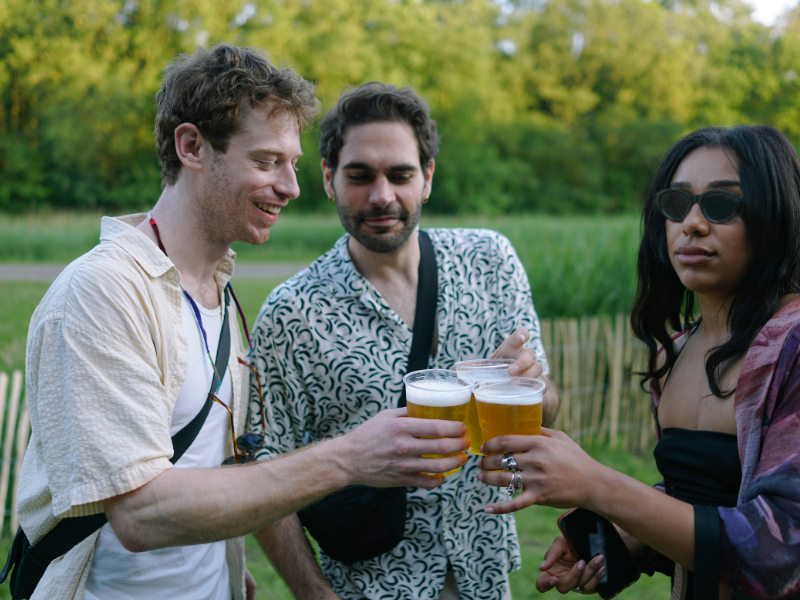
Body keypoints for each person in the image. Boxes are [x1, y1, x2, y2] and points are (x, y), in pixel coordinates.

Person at [13, 46, 472, 600]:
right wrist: (349, 457)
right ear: (191, 147)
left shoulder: (218, 291)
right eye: (265, 161)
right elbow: (141, 513)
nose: (291, 187)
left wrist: (225, 570)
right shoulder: (103, 292)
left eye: (293, 164)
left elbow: (213, 462)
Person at [247, 82, 560, 600]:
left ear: (428, 177)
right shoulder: (292, 312)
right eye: (359, 175)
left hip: (484, 576)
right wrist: (317, 595)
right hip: (369, 585)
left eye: (400, 174)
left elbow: (546, 408)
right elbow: (263, 478)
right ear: (327, 177)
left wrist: (530, 388)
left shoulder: (491, 262)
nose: (382, 196)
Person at [477, 125, 800, 599]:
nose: (692, 223)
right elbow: (707, 503)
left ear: (776, 216)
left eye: (722, 204)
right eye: (677, 203)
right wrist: (627, 540)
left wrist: (596, 484)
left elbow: (780, 554)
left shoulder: (791, 346)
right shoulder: (672, 354)